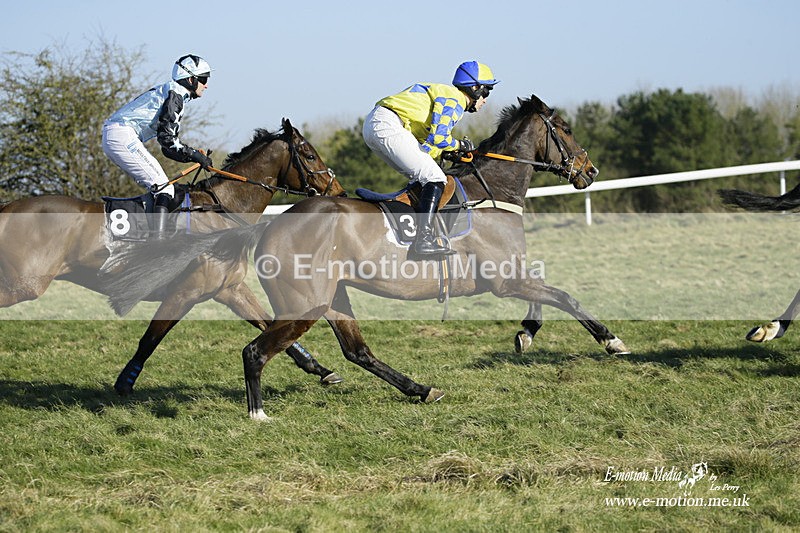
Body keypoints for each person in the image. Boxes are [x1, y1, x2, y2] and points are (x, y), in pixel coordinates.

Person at [362, 61, 498, 256]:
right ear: (475, 88)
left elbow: (427, 146)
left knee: (424, 176)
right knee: (435, 178)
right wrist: (460, 146)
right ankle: (423, 239)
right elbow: (440, 138)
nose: (485, 100)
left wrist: (446, 152)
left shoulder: (447, 96)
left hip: (377, 125)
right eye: (486, 92)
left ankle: (409, 231)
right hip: (387, 124)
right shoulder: (455, 99)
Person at [102, 54, 213, 239]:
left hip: (118, 135)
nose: (206, 85)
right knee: (165, 188)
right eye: (203, 79)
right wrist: (195, 155)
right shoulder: (175, 95)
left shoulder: (173, 92)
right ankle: (156, 244)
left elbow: (166, 147)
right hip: (121, 135)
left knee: (159, 187)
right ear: (191, 79)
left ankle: (147, 235)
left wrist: (193, 155)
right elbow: (168, 142)